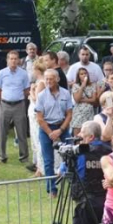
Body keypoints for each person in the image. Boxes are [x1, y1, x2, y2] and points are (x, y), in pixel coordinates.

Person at [35, 69, 73, 197]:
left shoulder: (66, 94)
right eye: (46, 79)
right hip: (46, 128)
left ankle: (73, 186)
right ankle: (52, 189)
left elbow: (69, 114)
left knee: (70, 157)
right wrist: (50, 133)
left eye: (51, 79)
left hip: (62, 127)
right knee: (48, 160)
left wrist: (61, 130)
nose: (48, 81)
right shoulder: (41, 96)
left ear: (57, 79)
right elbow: (39, 118)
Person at [0, 50, 30, 164]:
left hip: (19, 104)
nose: (13, 61)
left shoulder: (23, 73)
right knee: (3, 131)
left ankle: (24, 156)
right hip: (5, 104)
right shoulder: (1, 73)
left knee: (21, 131)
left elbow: (26, 90)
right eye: (11, 59)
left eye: (15, 58)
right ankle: (2, 156)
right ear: (7, 60)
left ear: (19, 60)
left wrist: (18, 98)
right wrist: (4, 100)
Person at [70, 66, 98, 136]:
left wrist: (82, 100)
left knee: (88, 133)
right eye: (81, 74)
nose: (84, 75)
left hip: (89, 112)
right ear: (78, 76)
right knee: (77, 135)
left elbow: (93, 99)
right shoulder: (75, 86)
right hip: (78, 113)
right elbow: (77, 99)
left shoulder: (92, 85)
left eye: (85, 73)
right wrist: (82, 86)